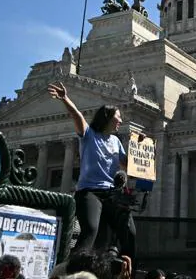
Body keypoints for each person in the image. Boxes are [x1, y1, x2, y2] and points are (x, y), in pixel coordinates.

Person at [48, 82, 136, 260]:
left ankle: (126, 270)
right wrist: (65, 98)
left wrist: (141, 150)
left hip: (111, 194)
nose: (121, 121)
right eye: (118, 117)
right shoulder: (89, 135)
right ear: (108, 117)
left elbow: (128, 165)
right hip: (90, 192)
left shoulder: (116, 141)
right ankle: (74, 269)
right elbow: (76, 115)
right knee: (91, 230)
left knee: (130, 232)